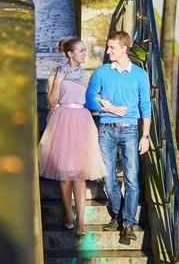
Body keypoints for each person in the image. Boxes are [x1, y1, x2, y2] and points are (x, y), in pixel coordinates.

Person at [85, 31, 151, 242]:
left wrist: (146, 136)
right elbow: (88, 100)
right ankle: (119, 214)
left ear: (124, 49)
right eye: (108, 47)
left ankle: (128, 223)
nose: (107, 51)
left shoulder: (140, 74)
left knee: (131, 179)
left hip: (131, 130)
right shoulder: (102, 72)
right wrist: (110, 108)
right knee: (109, 178)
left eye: (112, 48)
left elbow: (146, 107)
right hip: (106, 130)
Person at [38, 38, 106, 236]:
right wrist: (58, 82)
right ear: (70, 53)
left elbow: (93, 99)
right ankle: (68, 213)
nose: (85, 54)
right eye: (81, 51)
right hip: (62, 120)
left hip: (82, 121)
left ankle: (81, 221)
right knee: (64, 175)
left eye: (85, 50)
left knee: (80, 174)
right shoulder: (57, 73)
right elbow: (51, 102)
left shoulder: (87, 75)